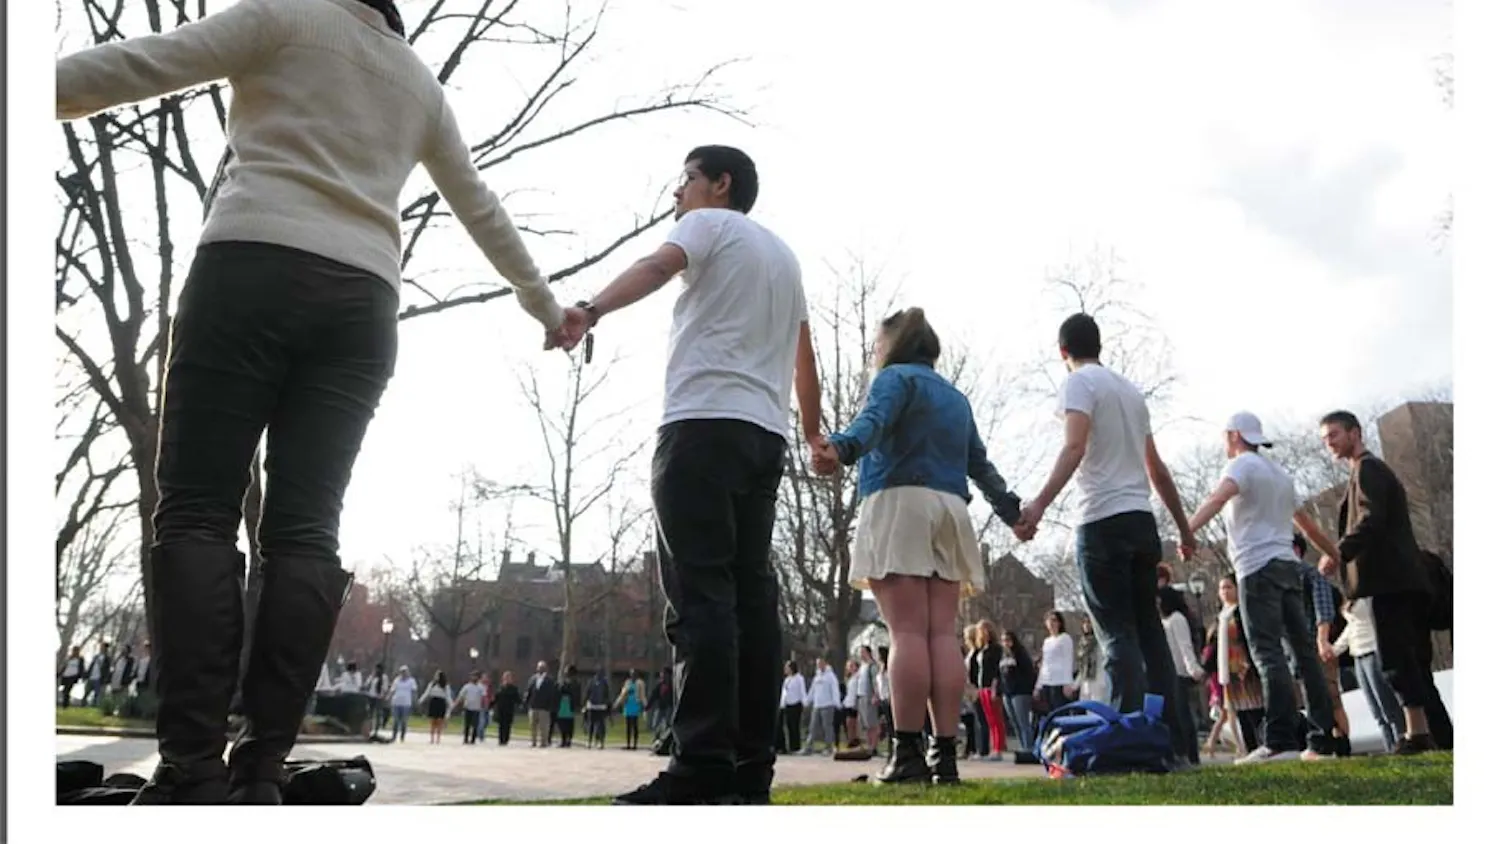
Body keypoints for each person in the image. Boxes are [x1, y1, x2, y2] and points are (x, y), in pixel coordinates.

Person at [54, 0, 571, 805]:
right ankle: (261, 768)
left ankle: (191, 766)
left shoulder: (280, 18)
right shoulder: (419, 85)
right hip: (363, 303)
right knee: (305, 528)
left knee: (194, 509)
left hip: (250, 266)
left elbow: (139, 63)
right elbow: (479, 206)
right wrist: (548, 308)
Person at [562, 146, 824, 805]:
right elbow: (804, 356)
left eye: (686, 180)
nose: (677, 193)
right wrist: (815, 433)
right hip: (766, 437)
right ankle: (749, 770)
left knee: (702, 597)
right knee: (752, 602)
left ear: (720, 184)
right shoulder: (785, 257)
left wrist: (590, 310)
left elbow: (655, 267)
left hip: (703, 425)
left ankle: (700, 767)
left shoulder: (707, 225)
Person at [814, 308, 1026, 785]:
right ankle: (945, 755)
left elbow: (872, 423)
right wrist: (1011, 511)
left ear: (892, 347)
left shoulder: (893, 381)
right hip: (950, 507)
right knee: (941, 635)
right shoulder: (956, 398)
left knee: (907, 633)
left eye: (876, 347)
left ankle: (906, 752)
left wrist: (841, 449)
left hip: (899, 500)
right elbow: (980, 463)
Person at [1016, 313, 1196, 765]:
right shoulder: (1131, 393)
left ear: (1063, 352)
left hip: (1102, 522)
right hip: (1141, 521)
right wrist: (1184, 525)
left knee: (1116, 635)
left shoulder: (1079, 384)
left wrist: (1037, 505)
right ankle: (1174, 744)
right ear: (1100, 344)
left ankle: (1127, 741)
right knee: (1150, 635)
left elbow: (1075, 447)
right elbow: (1156, 468)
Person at [1185, 411, 1339, 763]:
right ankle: (1320, 740)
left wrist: (1187, 531)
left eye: (1226, 436)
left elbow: (1217, 499)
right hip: (1287, 566)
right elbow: (1307, 525)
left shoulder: (1242, 467)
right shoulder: (1280, 475)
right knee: (1304, 653)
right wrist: (1334, 553)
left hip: (1257, 568)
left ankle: (1281, 740)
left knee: (1267, 653)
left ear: (1235, 435)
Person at [1311, 411, 1452, 754]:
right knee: (1414, 662)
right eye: (1325, 438)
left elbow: (1372, 517)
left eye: (1334, 435)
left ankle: (1417, 734)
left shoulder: (1369, 469)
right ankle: (1440, 738)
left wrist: (1338, 551)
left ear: (1355, 433)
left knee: (1398, 659)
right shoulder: (1364, 471)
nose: (1328, 443)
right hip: (1400, 581)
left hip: (1391, 582)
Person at [1332, 596, 1407, 753]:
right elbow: (1352, 626)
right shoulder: (1349, 594)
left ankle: (1402, 744)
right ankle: (1390, 748)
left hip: (1373, 650)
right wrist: (1335, 649)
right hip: (1358, 654)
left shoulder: (1368, 594)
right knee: (1376, 711)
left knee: (1388, 707)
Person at [1160, 595, 1204, 765]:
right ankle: (1178, 751)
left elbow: (1184, 644)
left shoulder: (1177, 619)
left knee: (1183, 714)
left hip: (1178, 672)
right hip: (1167, 673)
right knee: (1175, 713)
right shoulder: (1163, 621)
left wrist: (1192, 667)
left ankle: (1191, 754)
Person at [997, 630, 1037, 753]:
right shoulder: (1003, 656)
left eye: (1008, 640)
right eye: (1003, 641)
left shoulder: (1020, 654)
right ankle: (1022, 746)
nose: (1006, 643)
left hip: (1020, 692)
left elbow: (1029, 672)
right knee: (1014, 722)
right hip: (1007, 693)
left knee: (1023, 721)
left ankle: (1029, 748)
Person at [1034, 611, 1075, 716]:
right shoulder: (1047, 641)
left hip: (1059, 682)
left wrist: (1068, 683)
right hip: (1047, 681)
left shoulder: (1065, 638)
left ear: (1059, 623)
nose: (1051, 623)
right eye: (1049, 620)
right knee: (1050, 714)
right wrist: (1038, 686)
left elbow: (1068, 660)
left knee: (1060, 713)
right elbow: (1044, 663)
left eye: (1054, 620)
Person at [803, 658, 841, 755]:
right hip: (817, 705)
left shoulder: (831, 676)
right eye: (817, 664)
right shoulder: (817, 676)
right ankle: (809, 747)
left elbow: (835, 689)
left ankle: (829, 747)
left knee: (827, 727)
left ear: (825, 663)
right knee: (812, 727)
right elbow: (812, 690)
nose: (819, 665)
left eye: (820, 663)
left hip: (828, 705)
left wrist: (836, 702)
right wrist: (807, 701)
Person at [524, 662, 559, 748]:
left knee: (544, 727)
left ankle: (543, 742)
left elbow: (553, 694)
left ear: (546, 669)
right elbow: (528, 691)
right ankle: (533, 742)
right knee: (532, 726)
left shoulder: (549, 680)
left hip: (544, 707)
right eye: (539, 667)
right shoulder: (532, 679)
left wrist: (551, 706)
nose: (540, 669)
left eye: (542, 667)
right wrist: (526, 701)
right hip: (533, 706)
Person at [1074, 616, 1108, 703]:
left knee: (1097, 711)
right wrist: (1076, 684)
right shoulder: (1082, 643)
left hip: (1098, 680)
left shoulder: (1100, 641)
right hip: (1086, 682)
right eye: (1084, 622)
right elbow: (1082, 665)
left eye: (1089, 622)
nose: (1086, 625)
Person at [779, 661, 807, 755]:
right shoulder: (787, 680)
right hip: (788, 704)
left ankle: (796, 747)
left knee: (795, 726)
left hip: (796, 704)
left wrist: (804, 702)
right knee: (789, 726)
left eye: (787, 668)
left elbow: (802, 691)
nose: (785, 669)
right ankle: (790, 746)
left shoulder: (799, 678)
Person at [616, 669, 648, 751]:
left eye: (634, 674)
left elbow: (642, 695)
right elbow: (622, 694)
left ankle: (635, 744)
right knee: (628, 726)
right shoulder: (627, 683)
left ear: (637, 675)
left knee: (635, 726)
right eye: (631, 674)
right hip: (628, 706)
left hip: (635, 706)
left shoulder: (640, 683)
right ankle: (628, 744)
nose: (633, 675)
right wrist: (617, 703)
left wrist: (645, 704)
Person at [387, 666, 418, 743]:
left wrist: (415, 701)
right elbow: (392, 690)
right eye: (402, 672)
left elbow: (414, 691)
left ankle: (402, 737)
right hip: (396, 702)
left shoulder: (411, 681)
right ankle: (394, 736)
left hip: (406, 703)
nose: (404, 673)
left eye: (405, 672)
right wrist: (388, 697)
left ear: (408, 672)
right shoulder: (397, 680)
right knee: (396, 720)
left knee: (404, 721)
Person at [420, 671, 452, 745]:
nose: (435, 677)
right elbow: (427, 693)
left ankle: (438, 738)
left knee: (439, 722)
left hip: (441, 703)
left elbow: (448, 696)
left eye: (437, 676)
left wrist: (451, 705)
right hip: (433, 702)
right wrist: (421, 700)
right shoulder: (432, 684)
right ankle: (432, 739)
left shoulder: (445, 686)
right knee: (432, 722)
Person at [455, 671, 486, 745]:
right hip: (468, 707)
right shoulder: (467, 686)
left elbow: (483, 697)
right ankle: (465, 739)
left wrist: (484, 705)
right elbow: (461, 696)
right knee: (467, 724)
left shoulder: (481, 687)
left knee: (475, 725)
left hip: (476, 708)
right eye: (472, 676)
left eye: (475, 676)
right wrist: (456, 703)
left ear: (478, 678)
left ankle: (473, 739)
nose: (473, 678)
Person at [492, 671, 522, 747]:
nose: (507, 679)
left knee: (507, 726)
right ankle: (501, 739)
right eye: (505, 677)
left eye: (508, 677)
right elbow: (496, 698)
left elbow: (517, 699)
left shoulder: (513, 688)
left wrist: (520, 704)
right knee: (501, 725)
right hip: (500, 709)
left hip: (509, 710)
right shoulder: (500, 687)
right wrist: (490, 705)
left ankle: (505, 739)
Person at [584, 669, 612, 749]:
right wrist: (585, 703)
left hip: (601, 706)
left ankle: (601, 741)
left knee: (601, 725)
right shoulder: (591, 681)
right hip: (592, 706)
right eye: (598, 673)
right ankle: (589, 741)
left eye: (601, 673)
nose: (599, 675)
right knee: (591, 725)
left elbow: (607, 694)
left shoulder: (604, 682)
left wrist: (607, 705)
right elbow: (587, 692)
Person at [555, 666, 580, 748]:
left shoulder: (576, 683)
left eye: (567, 672)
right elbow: (559, 691)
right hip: (562, 705)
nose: (566, 673)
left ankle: (568, 740)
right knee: (561, 723)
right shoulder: (563, 682)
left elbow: (576, 695)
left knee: (569, 723)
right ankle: (563, 739)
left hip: (570, 705)